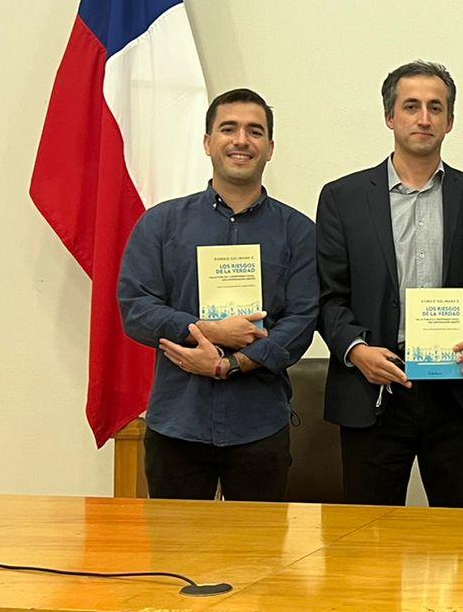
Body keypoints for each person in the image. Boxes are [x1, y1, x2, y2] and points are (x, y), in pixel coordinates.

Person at [117, 88, 319, 501]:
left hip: (260, 426)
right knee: (175, 560)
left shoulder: (299, 232)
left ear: (270, 148)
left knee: (259, 559)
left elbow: (301, 322)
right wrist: (205, 330)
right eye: (228, 129)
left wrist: (232, 365)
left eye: (254, 131)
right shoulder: (159, 225)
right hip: (177, 423)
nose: (241, 140)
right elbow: (135, 308)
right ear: (208, 142)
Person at [316, 61, 463, 508]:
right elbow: (327, 296)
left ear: (450, 121)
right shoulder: (342, 198)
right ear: (389, 116)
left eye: (436, 108)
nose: (424, 118)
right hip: (373, 388)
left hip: (455, 393)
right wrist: (356, 350)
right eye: (411, 106)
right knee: (365, 544)